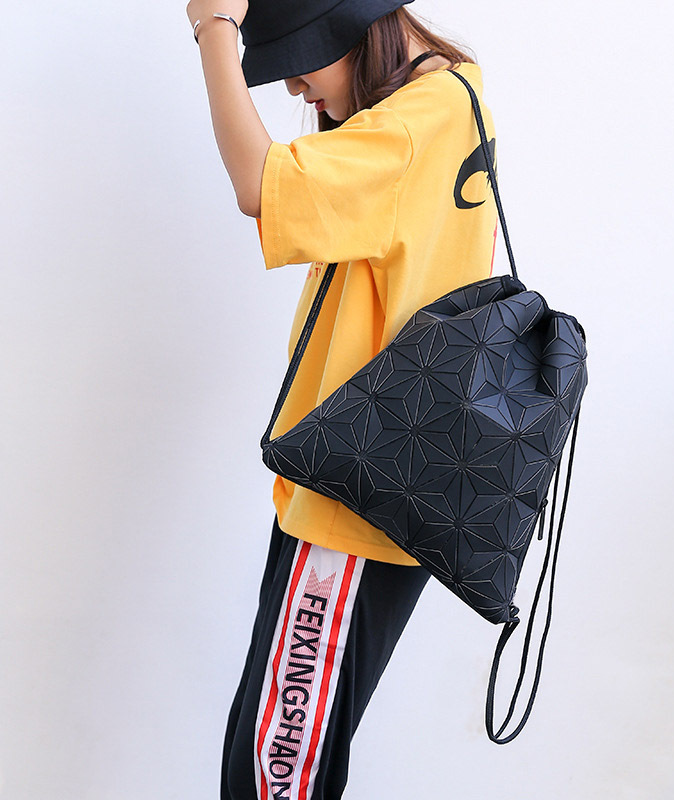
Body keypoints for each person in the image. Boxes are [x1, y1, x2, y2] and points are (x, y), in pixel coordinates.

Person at [187, 1, 500, 797]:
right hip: (373, 479)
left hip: (355, 503)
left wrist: (214, 27)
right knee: (281, 753)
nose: (294, 86)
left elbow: (257, 185)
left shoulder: (411, 125)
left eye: (298, 58)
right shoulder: (452, 96)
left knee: (275, 771)